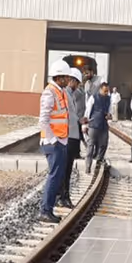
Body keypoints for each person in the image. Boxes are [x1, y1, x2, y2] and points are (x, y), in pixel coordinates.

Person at [38, 62, 71, 223]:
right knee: (54, 176)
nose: (68, 80)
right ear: (59, 77)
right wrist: (53, 140)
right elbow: (43, 120)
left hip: (60, 140)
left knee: (57, 176)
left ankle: (48, 209)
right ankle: (45, 210)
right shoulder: (50, 93)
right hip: (53, 142)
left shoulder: (60, 91)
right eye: (66, 77)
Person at [59, 68, 86, 208]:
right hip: (68, 136)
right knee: (66, 168)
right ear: (72, 81)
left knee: (67, 168)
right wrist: (79, 120)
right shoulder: (66, 94)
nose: (79, 86)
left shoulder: (72, 95)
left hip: (73, 136)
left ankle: (63, 196)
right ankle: (63, 196)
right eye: (78, 82)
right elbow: (69, 114)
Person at [85, 81, 111, 172]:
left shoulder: (109, 99)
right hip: (93, 125)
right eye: (105, 91)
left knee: (103, 144)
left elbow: (110, 111)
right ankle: (88, 166)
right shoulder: (93, 98)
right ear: (100, 89)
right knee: (91, 146)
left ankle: (98, 163)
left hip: (104, 125)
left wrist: (109, 115)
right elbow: (88, 111)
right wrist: (86, 124)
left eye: (107, 91)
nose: (106, 93)